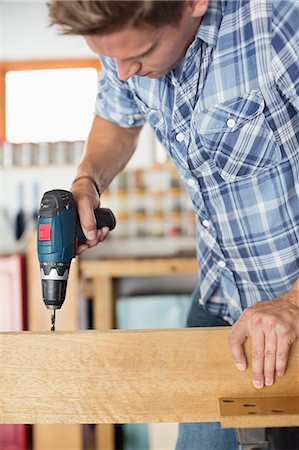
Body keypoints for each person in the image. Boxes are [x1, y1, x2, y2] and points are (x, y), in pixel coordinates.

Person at [48, 1, 299, 448]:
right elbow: (116, 120)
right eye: (111, 58)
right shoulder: (126, 44)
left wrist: (293, 304)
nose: (124, 72)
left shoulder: (279, 21)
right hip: (220, 301)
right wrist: (87, 179)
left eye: (140, 53)